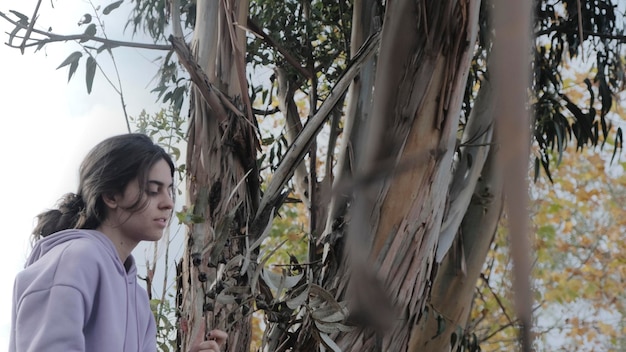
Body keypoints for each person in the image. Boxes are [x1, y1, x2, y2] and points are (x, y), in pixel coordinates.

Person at [9, 134, 227, 352]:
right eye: (153, 190)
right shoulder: (75, 259)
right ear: (111, 195)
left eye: (169, 190)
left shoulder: (139, 301)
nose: (169, 203)